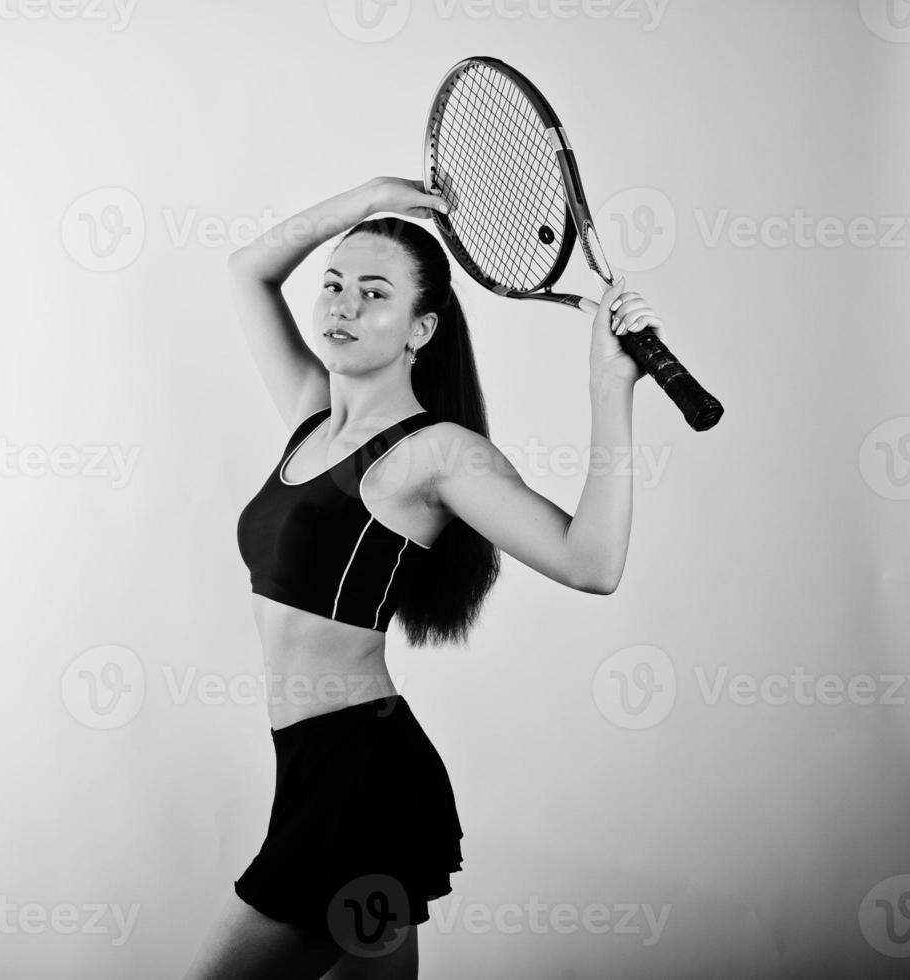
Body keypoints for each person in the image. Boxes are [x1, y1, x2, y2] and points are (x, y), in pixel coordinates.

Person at [180, 176, 663, 980]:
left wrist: (607, 387)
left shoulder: (435, 453)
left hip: (360, 784)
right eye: (333, 285)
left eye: (373, 294)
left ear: (421, 328)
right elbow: (247, 269)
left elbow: (591, 563)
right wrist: (368, 199)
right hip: (311, 769)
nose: (340, 304)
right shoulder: (309, 416)